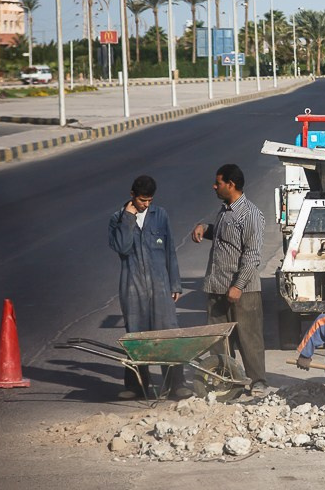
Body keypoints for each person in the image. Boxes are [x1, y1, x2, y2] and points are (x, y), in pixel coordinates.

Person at [191, 164, 270, 395]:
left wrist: (238, 285)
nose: (214, 186)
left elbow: (252, 254)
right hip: (217, 286)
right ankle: (226, 378)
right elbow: (225, 236)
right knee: (218, 339)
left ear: (231, 185)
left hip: (243, 291)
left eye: (219, 183)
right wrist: (205, 228)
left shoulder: (251, 215)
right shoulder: (225, 210)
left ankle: (258, 382)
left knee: (249, 337)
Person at [108, 175, 188, 399]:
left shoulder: (160, 215)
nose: (146, 204)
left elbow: (170, 250)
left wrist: (175, 284)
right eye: (143, 200)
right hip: (132, 286)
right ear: (132, 195)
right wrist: (128, 218)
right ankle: (136, 386)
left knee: (168, 333)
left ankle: (176, 383)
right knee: (136, 335)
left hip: (160, 285)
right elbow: (122, 248)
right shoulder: (117, 219)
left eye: (149, 200)